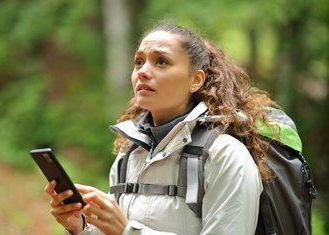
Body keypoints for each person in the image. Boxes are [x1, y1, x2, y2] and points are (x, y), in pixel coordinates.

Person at [45, 23, 279, 235]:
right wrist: (80, 227)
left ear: (195, 80)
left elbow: (125, 231)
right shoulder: (130, 153)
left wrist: (128, 232)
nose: (143, 72)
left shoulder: (225, 156)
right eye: (139, 62)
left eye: (161, 61)